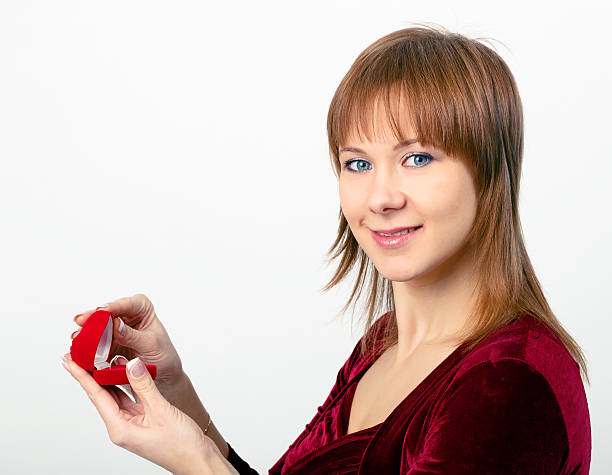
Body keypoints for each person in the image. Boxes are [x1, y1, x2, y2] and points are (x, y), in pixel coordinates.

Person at [61, 25, 592, 474]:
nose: (381, 198)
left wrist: (200, 466)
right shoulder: (380, 344)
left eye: (418, 158)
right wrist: (175, 394)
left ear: (490, 171)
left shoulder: (511, 382)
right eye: (357, 163)